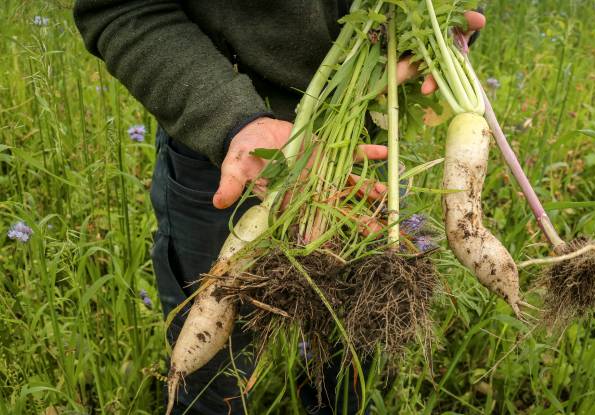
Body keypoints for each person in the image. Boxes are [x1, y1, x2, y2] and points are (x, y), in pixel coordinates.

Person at [73, 2, 484, 413]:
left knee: (352, 362)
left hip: (363, 155)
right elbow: (120, 8)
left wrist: (434, 34)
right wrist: (232, 119)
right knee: (211, 365)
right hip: (231, 144)